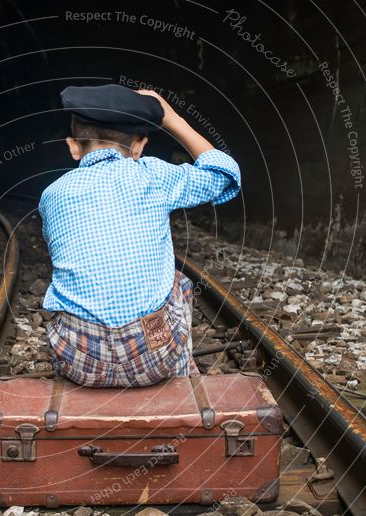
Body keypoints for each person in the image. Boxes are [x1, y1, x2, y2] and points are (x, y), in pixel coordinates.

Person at [39, 84, 241, 387]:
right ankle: (183, 376)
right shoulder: (153, 176)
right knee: (180, 282)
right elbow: (225, 174)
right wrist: (172, 119)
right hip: (155, 358)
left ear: (72, 145)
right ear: (139, 146)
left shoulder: (51, 195)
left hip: (78, 363)